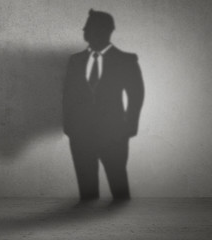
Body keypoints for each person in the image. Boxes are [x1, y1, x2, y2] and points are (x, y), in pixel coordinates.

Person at [63, 9, 144, 201]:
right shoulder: (75, 60)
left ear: (105, 30)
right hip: (80, 135)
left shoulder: (126, 60)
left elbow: (136, 95)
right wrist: (69, 127)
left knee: (119, 188)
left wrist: (130, 127)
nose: (83, 29)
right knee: (87, 192)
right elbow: (68, 95)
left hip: (114, 133)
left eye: (88, 26)